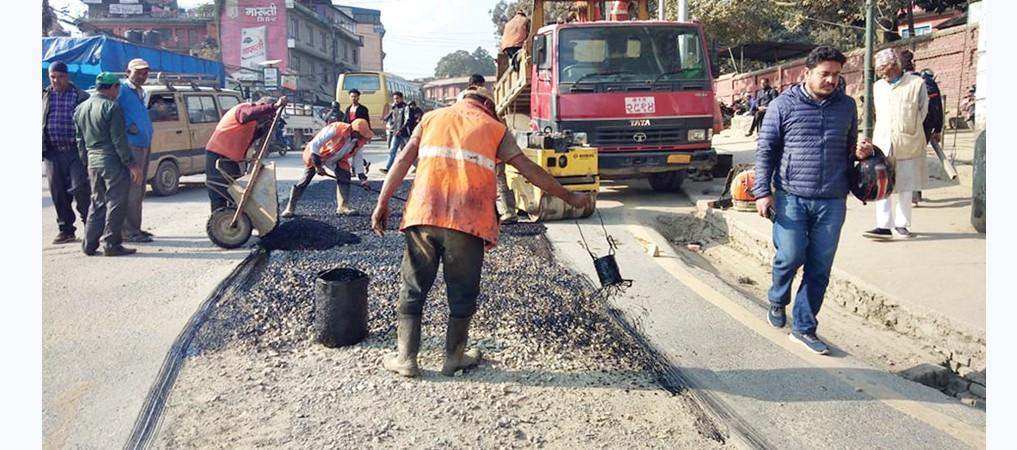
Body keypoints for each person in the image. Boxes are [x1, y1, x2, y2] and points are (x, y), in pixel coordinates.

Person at [371, 87, 592, 378]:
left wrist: (382, 203)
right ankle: (453, 358)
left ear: (462, 99)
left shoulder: (431, 118)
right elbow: (529, 170)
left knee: (413, 286)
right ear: (488, 105)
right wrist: (569, 197)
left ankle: (406, 359)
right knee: (462, 291)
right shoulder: (494, 128)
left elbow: (401, 162)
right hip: (468, 220)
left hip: (423, 214)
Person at [752, 46, 873, 355]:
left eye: (836, 74)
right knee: (791, 256)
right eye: (825, 74)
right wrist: (762, 192)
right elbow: (765, 151)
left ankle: (804, 328)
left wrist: (859, 154)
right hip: (791, 196)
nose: (831, 80)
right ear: (806, 73)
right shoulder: (782, 105)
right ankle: (778, 298)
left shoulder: (846, 106)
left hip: (832, 199)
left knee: (820, 267)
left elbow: (848, 148)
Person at [74, 72, 145, 257]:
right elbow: (119, 141)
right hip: (112, 162)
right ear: (114, 87)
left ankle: (89, 244)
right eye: (117, 87)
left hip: (93, 162)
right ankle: (112, 244)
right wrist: (132, 165)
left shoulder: (81, 108)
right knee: (116, 202)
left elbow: (80, 140)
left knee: (97, 202)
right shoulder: (112, 108)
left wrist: (85, 162)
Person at [863, 48, 928, 240]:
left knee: (906, 185)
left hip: (908, 140)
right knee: (882, 183)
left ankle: (902, 225)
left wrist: (908, 128)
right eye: (880, 70)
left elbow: (923, 112)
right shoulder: (878, 86)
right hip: (883, 141)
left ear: (896, 66)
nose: (883, 74)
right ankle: (883, 226)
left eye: (886, 69)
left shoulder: (917, 83)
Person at [204, 95, 288, 212]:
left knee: (235, 190)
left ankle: (232, 217)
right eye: (267, 116)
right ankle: (220, 221)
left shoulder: (252, 121)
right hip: (218, 154)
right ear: (262, 106)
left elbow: (251, 136)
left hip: (230, 158)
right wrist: (275, 107)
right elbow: (247, 115)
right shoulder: (244, 109)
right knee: (220, 191)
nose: (266, 118)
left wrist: (266, 128)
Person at [281, 117, 373, 217]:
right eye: (360, 134)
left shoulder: (358, 141)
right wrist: (317, 166)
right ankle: (290, 208)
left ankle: (343, 207)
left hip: (337, 159)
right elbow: (315, 144)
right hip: (318, 154)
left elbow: (358, 160)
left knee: (344, 175)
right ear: (354, 130)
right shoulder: (336, 129)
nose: (362, 137)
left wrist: (363, 179)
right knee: (305, 179)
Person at [43, 61, 92, 245]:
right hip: (52, 152)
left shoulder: (80, 97)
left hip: (75, 151)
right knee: (58, 193)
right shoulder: (44, 97)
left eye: (60, 77)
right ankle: (66, 230)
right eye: (53, 77)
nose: (57, 81)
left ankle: (91, 226)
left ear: (68, 76)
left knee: (80, 188)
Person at [459, 74, 518, 223]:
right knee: (494, 181)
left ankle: (503, 212)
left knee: (493, 181)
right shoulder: (484, 99)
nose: (482, 88)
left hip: (482, 149)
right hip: (486, 147)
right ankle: (503, 212)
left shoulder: (464, 99)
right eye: (481, 85)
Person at [116, 58, 155, 243]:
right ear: (128, 72)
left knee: (139, 190)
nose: (142, 76)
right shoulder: (122, 90)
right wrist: (126, 126)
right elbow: (111, 111)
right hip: (132, 145)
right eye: (138, 72)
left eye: (145, 72)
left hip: (143, 144)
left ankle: (135, 227)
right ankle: (129, 231)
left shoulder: (140, 92)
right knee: (132, 189)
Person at [900, 49, 943, 206]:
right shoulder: (927, 81)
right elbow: (936, 106)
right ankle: (915, 193)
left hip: (903, 127)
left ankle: (908, 193)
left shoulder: (898, 83)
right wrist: (937, 129)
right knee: (917, 159)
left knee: (905, 159)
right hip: (924, 126)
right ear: (914, 63)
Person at [380, 92, 408, 173]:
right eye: (394, 99)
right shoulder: (394, 108)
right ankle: (388, 168)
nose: (396, 100)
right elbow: (390, 117)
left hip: (405, 133)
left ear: (402, 98)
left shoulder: (406, 108)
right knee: (392, 150)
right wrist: (384, 120)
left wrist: (401, 130)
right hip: (396, 133)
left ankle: (418, 167)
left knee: (409, 151)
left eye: (397, 98)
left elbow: (407, 120)